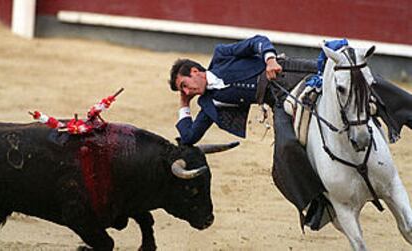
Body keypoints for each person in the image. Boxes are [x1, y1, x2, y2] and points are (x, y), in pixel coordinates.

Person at [168, 35, 412, 230]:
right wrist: (183, 106)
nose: (187, 92)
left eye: (184, 86)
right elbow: (189, 137)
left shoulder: (221, 56)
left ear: (195, 71)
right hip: (279, 101)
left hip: (291, 71)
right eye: (183, 91)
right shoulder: (209, 104)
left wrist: (269, 59)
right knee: (285, 147)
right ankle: (319, 202)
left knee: (356, 77)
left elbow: (256, 40)